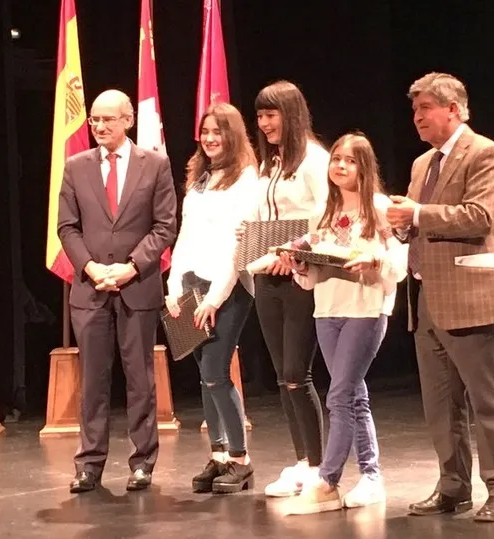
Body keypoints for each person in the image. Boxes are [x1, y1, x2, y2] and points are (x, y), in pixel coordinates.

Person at [386, 72, 494, 522]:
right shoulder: (422, 164)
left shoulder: (484, 153)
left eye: (425, 108)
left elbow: (481, 216)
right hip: (427, 297)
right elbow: (416, 223)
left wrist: (417, 214)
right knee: (440, 404)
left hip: (471, 295)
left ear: (454, 109)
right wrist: (399, 223)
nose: (417, 117)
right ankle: (452, 486)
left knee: (487, 399)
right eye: (414, 110)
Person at [278, 133, 407, 514]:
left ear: (364, 167)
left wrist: (375, 261)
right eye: (337, 158)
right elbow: (313, 276)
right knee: (353, 395)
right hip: (327, 309)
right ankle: (371, 477)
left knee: (338, 395)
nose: (341, 166)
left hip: (365, 309)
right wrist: (300, 265)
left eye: (350, 160)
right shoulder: (322, 212)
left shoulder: (380, 208)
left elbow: (401, 262)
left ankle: (327, 481)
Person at [58, 89, 177, 493]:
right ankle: (89, 464)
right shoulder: (76, 166)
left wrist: (130, 267)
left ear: (128, 120)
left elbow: (165, 226)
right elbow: (67, 227)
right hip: (90, 289)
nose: (99, 126)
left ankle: (142, 462)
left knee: (140, 379)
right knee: (93, 380)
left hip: (137, 287)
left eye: (108, 119)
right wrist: (91, 268)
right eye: (94, 119)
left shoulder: (155, 165)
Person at [164, 103, 260, 494]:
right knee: (205, 377)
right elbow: (185, 235)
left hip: (227, 288)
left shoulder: (247, 179)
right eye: (205, 131)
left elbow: (239, 247)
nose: (209, 138)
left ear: (232, 134)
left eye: (217, 131)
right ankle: (218, 455)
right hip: (191, 284)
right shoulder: (200, 179)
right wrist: (173, 286)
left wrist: (216, 298)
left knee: (217, 372)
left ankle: (240, 459)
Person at [245, 80, 330, 497]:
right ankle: (302, 461)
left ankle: (319, 466)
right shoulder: (269, 164)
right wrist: (251, 237)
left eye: (271, 114)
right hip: (267, 276)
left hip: (301, 276)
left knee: (298, 372)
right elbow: (264, 219)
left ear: (291, 114)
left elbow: (328, 218)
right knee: (283, 376)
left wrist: (295, 250)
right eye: (260, 116)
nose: (264, 124)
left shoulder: (315, 160)